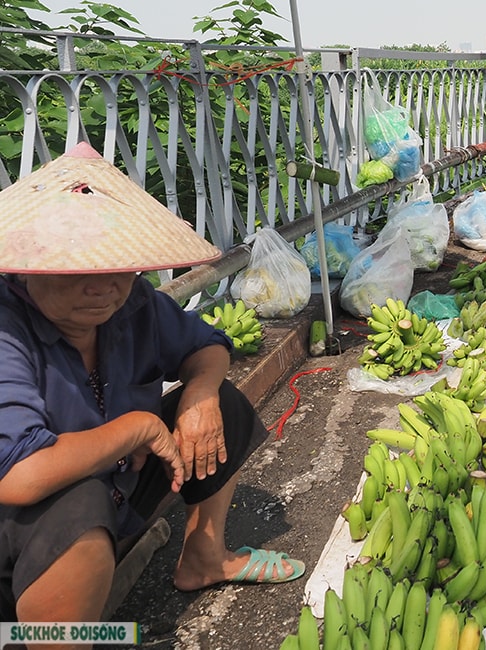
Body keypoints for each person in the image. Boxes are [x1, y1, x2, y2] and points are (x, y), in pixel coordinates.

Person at [0, 142, 304, 630]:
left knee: (220, 404)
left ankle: (204, 558)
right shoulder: (6, 330)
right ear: (26, 266)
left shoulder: (132, 303)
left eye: (114, 265)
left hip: (118, 489)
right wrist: (138, 426)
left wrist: (200, 396)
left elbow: (207, 348)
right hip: (25, 530)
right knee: (78, 504)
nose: (101, 286)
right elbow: (21, 474)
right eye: (73, 268)